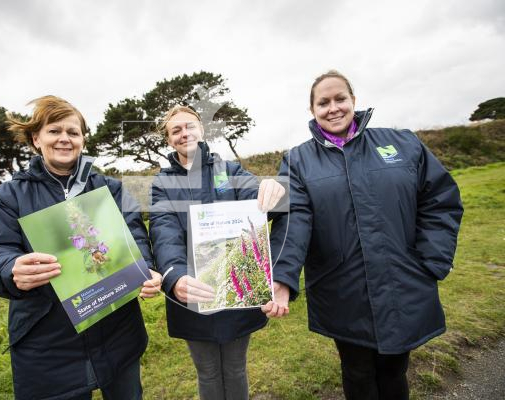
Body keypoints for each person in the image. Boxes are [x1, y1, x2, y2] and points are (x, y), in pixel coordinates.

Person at [264, 70, 464, 400]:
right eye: (323, 102)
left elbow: (440, 200)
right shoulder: (298, 161)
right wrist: (282, 279)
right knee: (357, 373)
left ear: (353, 101)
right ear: (312, 110)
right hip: (341, 287)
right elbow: (294, 219)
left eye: (339, 99)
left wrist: (432, 260)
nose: (333, 108)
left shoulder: (403, 143)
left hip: (403, 281)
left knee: (394, 371)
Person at [0, 95, 162, 400]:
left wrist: (145, 269)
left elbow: (135, 236)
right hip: (48, 345)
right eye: (54, 131)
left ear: (82, 140)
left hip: (118, 332)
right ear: (35, 139)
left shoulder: (111, 189)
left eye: (73, 132)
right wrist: (9, 269)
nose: (64, 139)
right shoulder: (7, 197)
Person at [149, 105, 285, 400]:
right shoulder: (162, 183)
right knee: (208, 372)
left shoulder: (230, 170)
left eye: (189, 126)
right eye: (176, 130)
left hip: (238, 288)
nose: (184, 133)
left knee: (236, 368)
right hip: (192, 292)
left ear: (201, 130)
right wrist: (175, 277)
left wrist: (273, 190)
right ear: (169, 139)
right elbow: (164, 232)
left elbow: (258, 200)